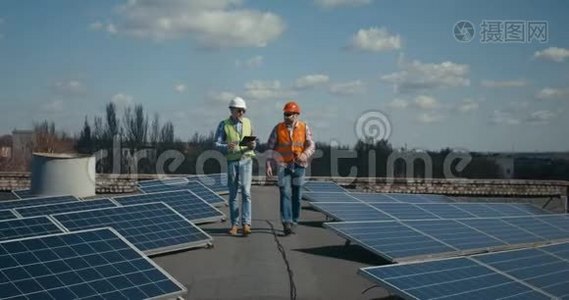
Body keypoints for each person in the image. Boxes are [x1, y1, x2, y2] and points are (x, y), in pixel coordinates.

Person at [265, 101, 315, 235]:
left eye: (289, 114)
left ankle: (294, 220)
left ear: (296, 115)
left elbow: (311, 145)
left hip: (299, 166)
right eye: (285, 114)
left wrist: (305, 154)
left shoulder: (304, 128)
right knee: (285, 192)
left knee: (297, 195)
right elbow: (270, 148)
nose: (286, 117)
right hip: (283, 165)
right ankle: (286, 222)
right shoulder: (278, 128)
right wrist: (269, 164)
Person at [214, 97, 256, 236]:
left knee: (246, 192)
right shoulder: (224, 124)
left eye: (243, 110)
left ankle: (246, 224)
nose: (242, 113)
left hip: (246, 159)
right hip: (232, 161)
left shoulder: (248, 122)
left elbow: (252, 139)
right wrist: (226, 146)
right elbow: (216, 143)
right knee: (233, 194)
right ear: (232, 110)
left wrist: (252, 145)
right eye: (239, 110)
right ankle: (234, 225)